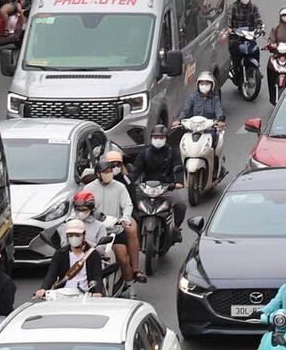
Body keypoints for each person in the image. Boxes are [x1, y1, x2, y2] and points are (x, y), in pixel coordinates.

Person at [89, 150, 142, 279]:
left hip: (118, 223)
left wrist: (125, 218)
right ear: (98, 173)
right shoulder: (89, 187)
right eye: (109, 167)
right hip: (97, 224)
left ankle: (135, 270)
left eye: (117, 165)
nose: (113, 169)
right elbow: (83, 205)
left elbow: (129, 203)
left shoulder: (122, 184)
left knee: (125, 251)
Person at [128, 121, 186, 230]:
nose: (158, 139)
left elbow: (178, 167)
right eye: (155, 137)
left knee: (180, 204)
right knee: (130, 202)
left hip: (167, 187)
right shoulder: (144, 153)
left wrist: (179, 182)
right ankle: (134, 226)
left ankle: (176, 227)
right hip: (147, 188)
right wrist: (129, 181)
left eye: (161, 137)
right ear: (151, 138)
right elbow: (136, 170)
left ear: (166, 138)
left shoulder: (173, 152)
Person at [38, 219, 111, 296]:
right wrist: (43, 289)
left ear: (84, 235)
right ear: (67, 236)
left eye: (77, 235)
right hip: (63, 293)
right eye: (70, 235)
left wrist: (97, 292)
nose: (74, 238)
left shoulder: (93, 254)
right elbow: (52, 274)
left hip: (86, 294)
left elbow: (97, 275)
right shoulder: (60, 253)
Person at [224, 0, 265, 90]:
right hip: (236, 37)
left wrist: (260, 27)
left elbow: (258, 19)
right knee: (235, 54)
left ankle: (255, 69)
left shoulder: (253, 7)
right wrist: (229, 28)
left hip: (249, 36)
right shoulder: (232, 7)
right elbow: (228, 20)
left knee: (255, 50)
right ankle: (237, 73)